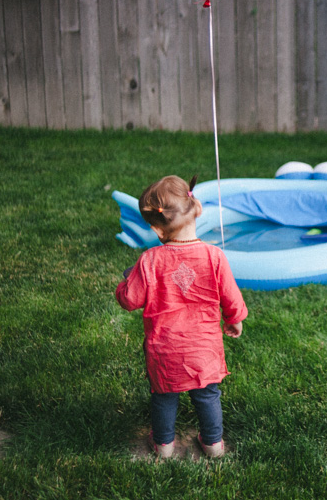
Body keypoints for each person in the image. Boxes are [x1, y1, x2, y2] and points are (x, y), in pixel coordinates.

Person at [115, 175, 247, 459]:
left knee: (164, 396)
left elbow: (129, 300)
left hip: (165, 349)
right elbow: (231, 296)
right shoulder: (214, 256)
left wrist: (127, 280)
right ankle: (213, 444)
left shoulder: (149, 260)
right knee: (207, 395)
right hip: (204, 348)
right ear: (196, 208)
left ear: (157, 230)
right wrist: (234, 319)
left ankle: (163, 445)